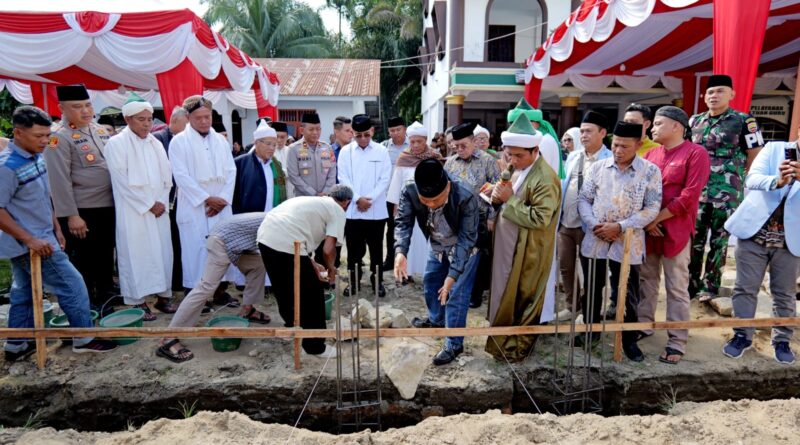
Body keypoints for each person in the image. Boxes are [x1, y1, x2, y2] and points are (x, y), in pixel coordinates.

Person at [1, 106, 116, 360]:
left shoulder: (35, 157)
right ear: (18, 133)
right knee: (73, 285)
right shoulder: (7, 167)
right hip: (33, 243)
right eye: (38, 136)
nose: (45, 141)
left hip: (44, 235)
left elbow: (44, 197)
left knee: (24, 292)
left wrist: (56, 227)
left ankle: (17, 344)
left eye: (46, 135)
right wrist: (30, 239)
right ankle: (83, 337)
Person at [577, 121, 662, 361]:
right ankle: (590, 332)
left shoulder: (650, 171)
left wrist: (621, 226)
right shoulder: (598, 168)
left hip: (628, 241)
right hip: (595, 237)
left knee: (628, 293)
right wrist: (595, 224)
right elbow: (584, 199)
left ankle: (628, 340)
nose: (618, 150)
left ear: (638, 144)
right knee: (591, 289)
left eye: (625, 146)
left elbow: (652, 208)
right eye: (615, 145)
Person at [637, 106, 710, 364]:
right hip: (650, 230)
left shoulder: (696, 153)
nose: (652, 128)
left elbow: (690, 195)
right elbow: (642, 190)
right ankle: (644, 325)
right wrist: (648, 222)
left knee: (676, 286)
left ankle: (677, 340)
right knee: (646, 280)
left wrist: (657, 218)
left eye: (658, 123)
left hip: (676, 230)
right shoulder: (651, 154)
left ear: (676, 126)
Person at [485, 115, 561, 362]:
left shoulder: (545, 179)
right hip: (508, 247)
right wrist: (496, 196)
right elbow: (506, 193)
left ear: (535, 151)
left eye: (519, 156)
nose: (513, 160)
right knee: (503, 293)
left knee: (523, 297)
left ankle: (515, 349)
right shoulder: (514, 168)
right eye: (509, 154)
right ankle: (500, 342)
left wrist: (509, 200)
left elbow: (540, 219)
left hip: (528, 251)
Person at [157, 212, 275, 362]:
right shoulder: (288, 222)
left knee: (257, 264)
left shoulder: (290, 219)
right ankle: (168, 338)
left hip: (235, 240)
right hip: (222, 239)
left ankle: (247, 310)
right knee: (206, 287)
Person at [721, 140, 800, 364]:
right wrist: (777, 180)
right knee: (745, 288)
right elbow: (752, 179)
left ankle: (782, 340)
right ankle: (741, 335)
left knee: (784, 293)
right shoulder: (774, 148)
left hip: (792, 239)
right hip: (754, 233)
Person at [394, 159, 479, 365]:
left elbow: (467, 240)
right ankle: (437, 320)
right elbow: (403, 222)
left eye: (436, 200)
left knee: (456, 294)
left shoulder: (465, 195)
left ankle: (454, 343)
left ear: (448, 187)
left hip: (464, 248)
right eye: (425, 201)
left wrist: (453, 275)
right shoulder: (410, 190)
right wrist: (400, 252)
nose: (431, 205)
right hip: (437, 244)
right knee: (431, 281)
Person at [689, 74, 764, 302]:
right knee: (694, 239)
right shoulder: (695, 121)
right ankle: (690, 284)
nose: (714, 96)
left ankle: (710, 286)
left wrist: (740, 176)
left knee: (719, 241)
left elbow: (755, 153)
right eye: (710, 92)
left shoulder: (744, 121)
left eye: (720, 91)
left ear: (732, 94)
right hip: (698, 191)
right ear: (704, 97)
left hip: (727, 192)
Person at [44, 84, 116, 314]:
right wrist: (71, 215)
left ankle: (105, 296)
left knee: (105, 255)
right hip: (83, 210)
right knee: (85, 260)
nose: (85, 111)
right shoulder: (58, 137)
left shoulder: (99, 130)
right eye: (77, 106)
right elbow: (58, 180)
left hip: (108, 206)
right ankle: (87, 304)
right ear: (62, 108)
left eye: (87, 105)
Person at [258, 186, 354, 358]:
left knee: (284, 288)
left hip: (265, 237)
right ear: (347, 202)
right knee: (313, 294)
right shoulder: (338, 210)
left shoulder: (313, 201)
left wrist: (311, 263)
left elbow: (295, 230)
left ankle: (292, 328)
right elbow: (328, 250)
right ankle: (315, 346)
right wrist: (331, 269)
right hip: (288, 242)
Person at [105, 93, 176, 320]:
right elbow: (122, 182)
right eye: (141, 119)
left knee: (162, 253)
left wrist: (161, 202)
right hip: (134, 211)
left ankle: (163, 297)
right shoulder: (116, 144)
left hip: (159, 210)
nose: (147, 124)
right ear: (128, 120)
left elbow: (167, 177)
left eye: (149, 119)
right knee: (137, 255)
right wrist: (148, 204)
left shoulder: (155, 143)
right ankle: (138, 302)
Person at [168, 95, 237, 305]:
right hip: (195, 206)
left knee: (221, 247)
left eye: (207, 117)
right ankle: (197, 297)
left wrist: (222, 199)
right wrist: (207, 199)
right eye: (198, 118)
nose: (204, 121)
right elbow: (181, 176)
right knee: (196, 251)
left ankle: (219, 292)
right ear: (188, 118)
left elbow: (231, 171)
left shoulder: (220, 141)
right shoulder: (179, 142)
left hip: (221, 206)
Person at [557, 111, 612, 320]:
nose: (583, 135)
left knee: (592, 272)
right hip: (567, 222)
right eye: (581, 131)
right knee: (566, 266)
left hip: (592, 226)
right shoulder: (574, 156)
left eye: (588, 131)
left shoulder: (610, 159)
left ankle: (590, 312)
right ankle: (572, 306)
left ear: (603, 133)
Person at [444, 122, 500, 309]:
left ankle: (475, 293)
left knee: (478, 257)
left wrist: (492, 217)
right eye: (456, 146)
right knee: (457, 254)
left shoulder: (487, 161)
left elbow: (497, 190)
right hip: (456, 219)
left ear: (474, 142)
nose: (459, 150)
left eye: (463, 146)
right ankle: (455, 288)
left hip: (480, 218)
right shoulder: (450, 163)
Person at [338, 114, 392, 297]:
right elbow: (343, 178)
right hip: (353, 210)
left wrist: (370, 199)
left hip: (376, 210)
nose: (362, 139)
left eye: (366, 135)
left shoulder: (381, 151)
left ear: (372, 131)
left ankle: (377, 282)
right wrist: (357, 199)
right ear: (352, 133)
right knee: (354, 250)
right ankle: (353, 282)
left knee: (376, 250)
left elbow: (385, 179)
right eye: (358, 135)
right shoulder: (345, 152)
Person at [388, 122, 441, 280]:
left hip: (431, 207)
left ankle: (429, 272)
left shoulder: (435, 158)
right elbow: (397, 184)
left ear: (426, 140)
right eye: (412, 141)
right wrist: (396, 208)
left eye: (419, 141)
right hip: (409, 208)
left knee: (428, 241)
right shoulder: (404, 158)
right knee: (409, 239)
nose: (416, 145)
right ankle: (408, 272)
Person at [153, 106, 190, 294]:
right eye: (186, 124)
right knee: (170, 242)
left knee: (182, 241)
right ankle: (172, 281)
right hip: (165, 201)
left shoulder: (187, 140)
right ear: (174, 121)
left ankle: (181, 279)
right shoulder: (159, 139)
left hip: (184, 199)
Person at [232, 121, 287, 214]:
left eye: (274, 145)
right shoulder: (241, 164)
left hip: (273, 216)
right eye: (268, 144)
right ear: (256, 143)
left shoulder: (276, 165)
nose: (272, 148)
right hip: (249, 218)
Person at [508, 98, 565, 179]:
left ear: (531, 122)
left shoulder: (544, 140)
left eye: (517, 125)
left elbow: (535, 173)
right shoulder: (537, 139)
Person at [286, 112, 337, 198]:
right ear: (302, 130)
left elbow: (332, 172)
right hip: (304, 198)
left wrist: (325, 192)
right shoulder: (294, 149)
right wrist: (313, 193)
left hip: (325, 198)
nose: (315, 132)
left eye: (318, 129)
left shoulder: (327, 148)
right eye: (311, 129)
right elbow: (294, 176)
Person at [382, 116, 409, 272]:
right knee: (390, 229)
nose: (395, 133)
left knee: (406, 228)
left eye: (398, 129)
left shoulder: (413, 145)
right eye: (392, 130)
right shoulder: (384, 147)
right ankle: (390, 259)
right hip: (388, 195)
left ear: (404, 129)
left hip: (408, 195)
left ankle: (408, 261)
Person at [268, 121, 292, 198]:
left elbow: (295, 171)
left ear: (287, 137)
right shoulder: (267, 152)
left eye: (282, 137)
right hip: (273, 188)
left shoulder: (291, 151)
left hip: (289, 188)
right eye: (277, 137)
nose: (279, 140)